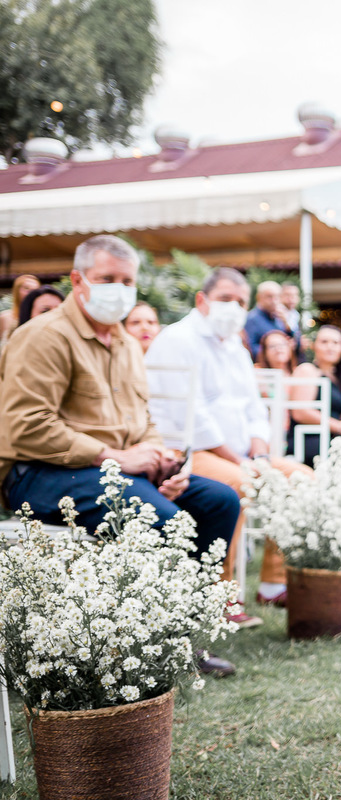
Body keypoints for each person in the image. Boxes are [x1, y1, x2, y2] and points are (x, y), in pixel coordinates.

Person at [0, 235, 240, 676]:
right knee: (163, 519)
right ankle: (144, 645)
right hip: (39, 472)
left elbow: (142, 418)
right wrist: (114, 457)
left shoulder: (127, 343)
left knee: (219, 500)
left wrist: (163, 458)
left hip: (113, 470)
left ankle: (181, 637)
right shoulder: (43, 336)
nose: (119, 289)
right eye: (106, 278)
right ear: (78, 280)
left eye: (127, 280)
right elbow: (27, 426)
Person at [146, 267, 312, 612]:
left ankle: (272, 584)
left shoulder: (235, 345)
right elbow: (192, 417)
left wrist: (261, 453)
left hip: (242, 453)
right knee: (238, 485)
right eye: (226, 299)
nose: (234, 308)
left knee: (301, 478)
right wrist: (242, 462)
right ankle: (221, 596)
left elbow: (254, 409)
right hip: (189, 451)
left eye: (241, 301)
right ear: (202, 300)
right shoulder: (178, 339)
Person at [289, 325, 341, 465]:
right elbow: (300, 412)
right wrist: (339, 427)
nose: (330, 347)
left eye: (336, 343)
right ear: (314, 346)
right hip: (311, 438)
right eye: (324, 342)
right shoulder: (308, 370)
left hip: (336, 439)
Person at [244, 280, 293, 360]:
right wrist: (273, 351)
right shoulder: (251, 319)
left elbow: (292, 342)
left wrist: (287, 324)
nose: (274, 301)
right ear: (259, 297)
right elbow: (250, 348)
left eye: (277, 297)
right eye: (269, 297)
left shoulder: (279, 318)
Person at [0, 274, 40, 350]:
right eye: (26, 288)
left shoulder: (40, 319)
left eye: (35, 290)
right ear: (17, 291)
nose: (30, 292)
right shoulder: (4, 318)